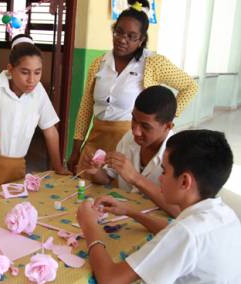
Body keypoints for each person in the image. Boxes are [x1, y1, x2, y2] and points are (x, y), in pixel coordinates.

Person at [77, 130, 241, 283]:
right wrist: (130, 211)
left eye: (164, 171)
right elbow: (172, 230)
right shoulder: (225, 214)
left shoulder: (186, 233)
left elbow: (110, 279)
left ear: (185, 181)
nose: (160, 179)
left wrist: (89, 225)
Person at [67, 0, 198, 175]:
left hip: (130, 145)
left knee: (119, 195)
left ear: (141, 40)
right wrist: (76, 148)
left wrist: (164, 118)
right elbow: (85, 107)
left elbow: (190, 86)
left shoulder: (153, 63)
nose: (122, 40)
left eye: (131, 36)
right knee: (85, 191)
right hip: (96, 142)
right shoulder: (99, 63)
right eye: (118, 32)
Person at [0, 34, 70, 193]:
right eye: (25, 72)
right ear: (10, 69)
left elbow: (50, 130)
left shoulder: (38, 92)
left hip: (17, 167)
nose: (32, 80)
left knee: (12, 214)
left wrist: (58, 167)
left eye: (37, 72)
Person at [84, 85, 180, 216]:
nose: (136, 131)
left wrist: (135, 178)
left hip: (155, 225)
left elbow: (179, 211)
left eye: (146, 126)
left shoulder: (179, 155)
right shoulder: (129, 138)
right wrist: (96, 172)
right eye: (134, 119)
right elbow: (107, 177)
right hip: (123, 217)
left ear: (168, 126)